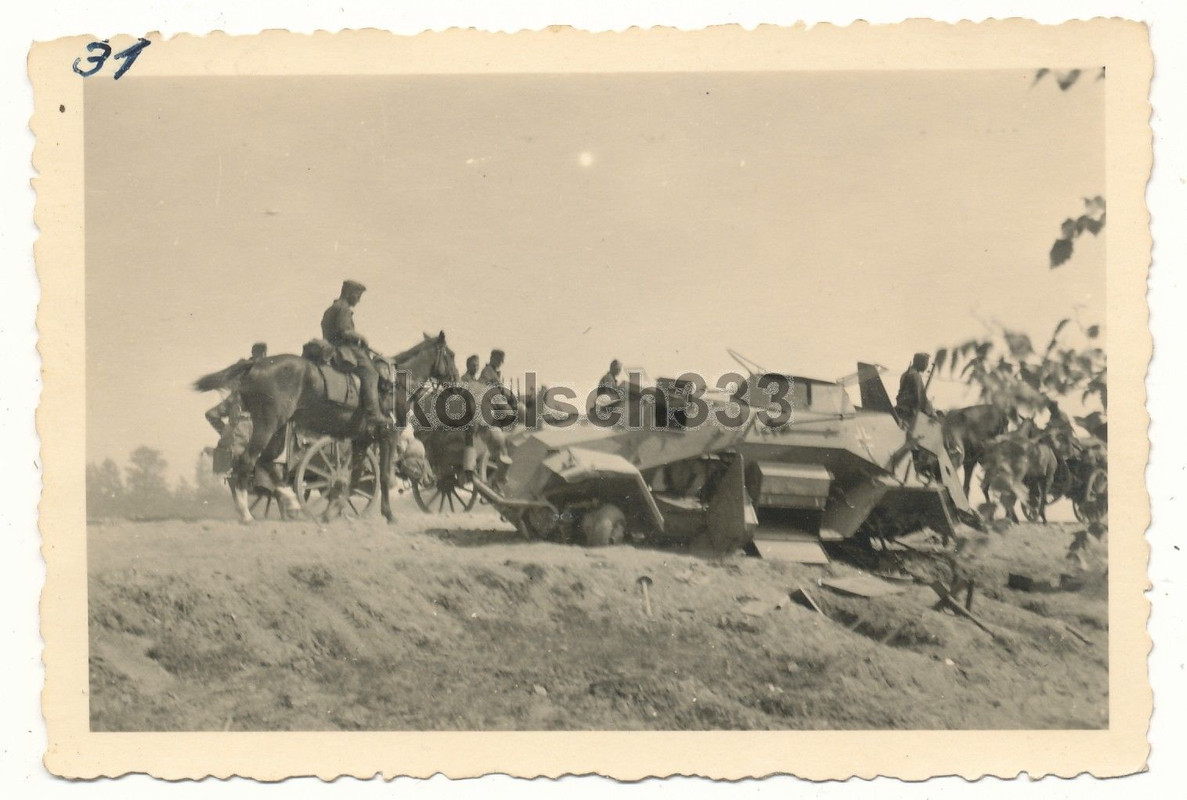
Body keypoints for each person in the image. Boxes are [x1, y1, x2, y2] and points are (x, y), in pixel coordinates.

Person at [320, 279, 385, 429]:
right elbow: (345, 331)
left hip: (330, 346)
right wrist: (361, 338)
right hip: (344, 350)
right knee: (371, 373)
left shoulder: (331, 308)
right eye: (357, 296)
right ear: (349, 293)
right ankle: (373, 413)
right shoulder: (343, 308)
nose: (359, 300)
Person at [895, 352, 934, 425]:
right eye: (926, 363)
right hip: (909, 414)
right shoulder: (916, 376)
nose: (926, 367)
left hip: (900, 410)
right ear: (919, 362)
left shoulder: (905, 374)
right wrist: (932, 413)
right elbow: (921, 399)